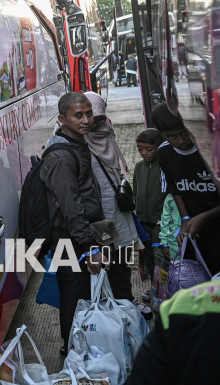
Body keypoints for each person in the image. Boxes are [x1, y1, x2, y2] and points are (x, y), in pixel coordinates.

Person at [41, 91, 105, 354]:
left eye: (89, 113)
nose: (86, 120)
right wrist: (90, 248)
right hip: (69, 238)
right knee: (74, 295)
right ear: (62, 119)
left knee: (81, 293)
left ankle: (80, 345)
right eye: (78, 115)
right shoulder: (62, 156)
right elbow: (71, 207)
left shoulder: (76, 142)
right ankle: (72, 350)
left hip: (77, 235)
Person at [151, 103, 220, 274]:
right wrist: (185, 217)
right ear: (161, 134)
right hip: (197, 233)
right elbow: (175, 189)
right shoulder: (164, 153)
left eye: (184, 133)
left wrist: (204, 217)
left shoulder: (215, 148)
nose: (181, 141)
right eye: (172, 136)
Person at [84, 92, 139, 301]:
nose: (93, 124)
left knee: (121, 261)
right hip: (98, 215)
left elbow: (119, 167)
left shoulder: (107, 130)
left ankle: (125, 302)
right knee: (104, 263)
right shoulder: (78, 141)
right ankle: (107, 306)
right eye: (90, 118)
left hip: (118, 209)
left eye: (98, 118)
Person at [134, 129, 168, 284]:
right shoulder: (139, 167)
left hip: (160, 222)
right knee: (147, 255)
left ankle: (163, 289)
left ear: (158, 147)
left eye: (149, 149)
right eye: (140, 149)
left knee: (161, 257)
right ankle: (154, 288)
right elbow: (136, 191)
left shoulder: (165, 167)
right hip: (143, 221)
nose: (144, 153)